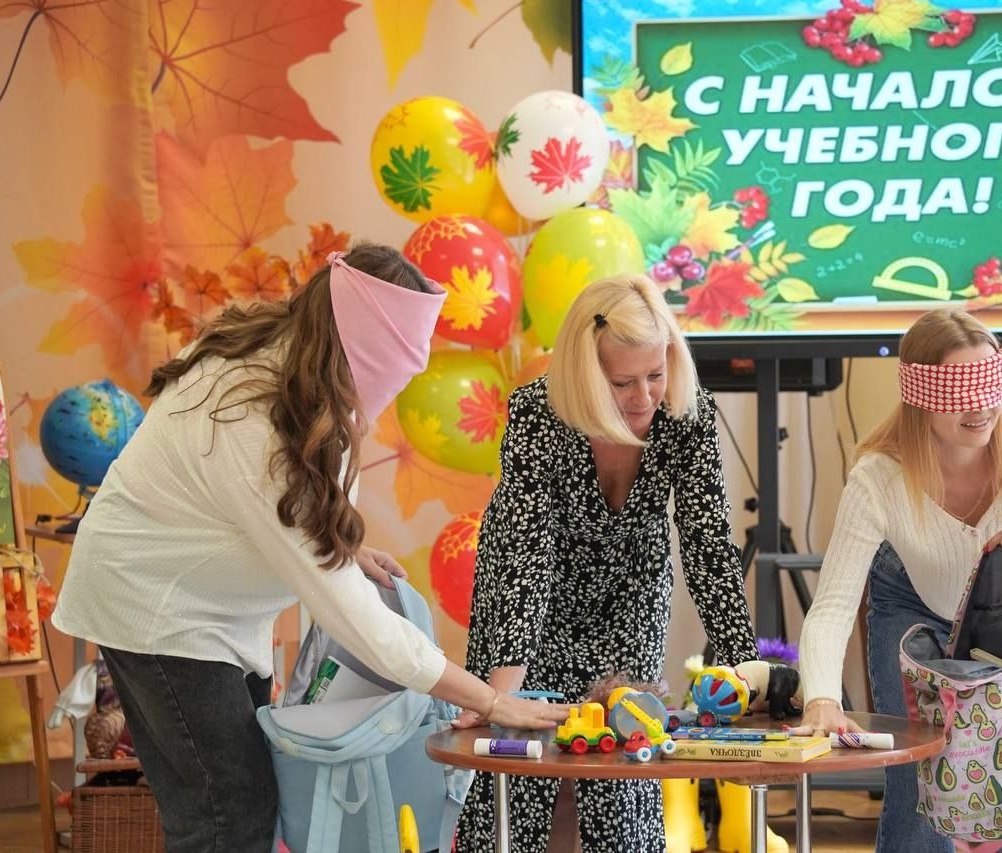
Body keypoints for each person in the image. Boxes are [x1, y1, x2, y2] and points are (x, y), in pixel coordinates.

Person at [52, 244, 567, 853]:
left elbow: (274, 509)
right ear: (360, 354)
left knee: (239, 805)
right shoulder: (257, 418)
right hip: (156, 606)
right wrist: (490, 699)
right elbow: (356, 619)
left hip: (206, 603)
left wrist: (345, 547)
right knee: (225, 816)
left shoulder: (295, 364)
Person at [453, 274, 766, 853]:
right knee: (523, 764)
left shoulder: (689, 414)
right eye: (623, 382)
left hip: (631, 590)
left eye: (655, 374)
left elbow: (708, 546)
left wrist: (744, 670)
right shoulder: (538, 413)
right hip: (532, 591)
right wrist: (497, 699)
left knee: (624, 762)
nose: (644, 397)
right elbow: (527, 555)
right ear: (587, 374)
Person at [792, 310, 1002, 853]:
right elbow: (832, 607)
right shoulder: (879, 479)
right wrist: (822, 700)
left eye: (990, 384)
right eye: (961, 391)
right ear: (920, 395)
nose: (982, 407)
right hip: (911, 600)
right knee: (919, 772)